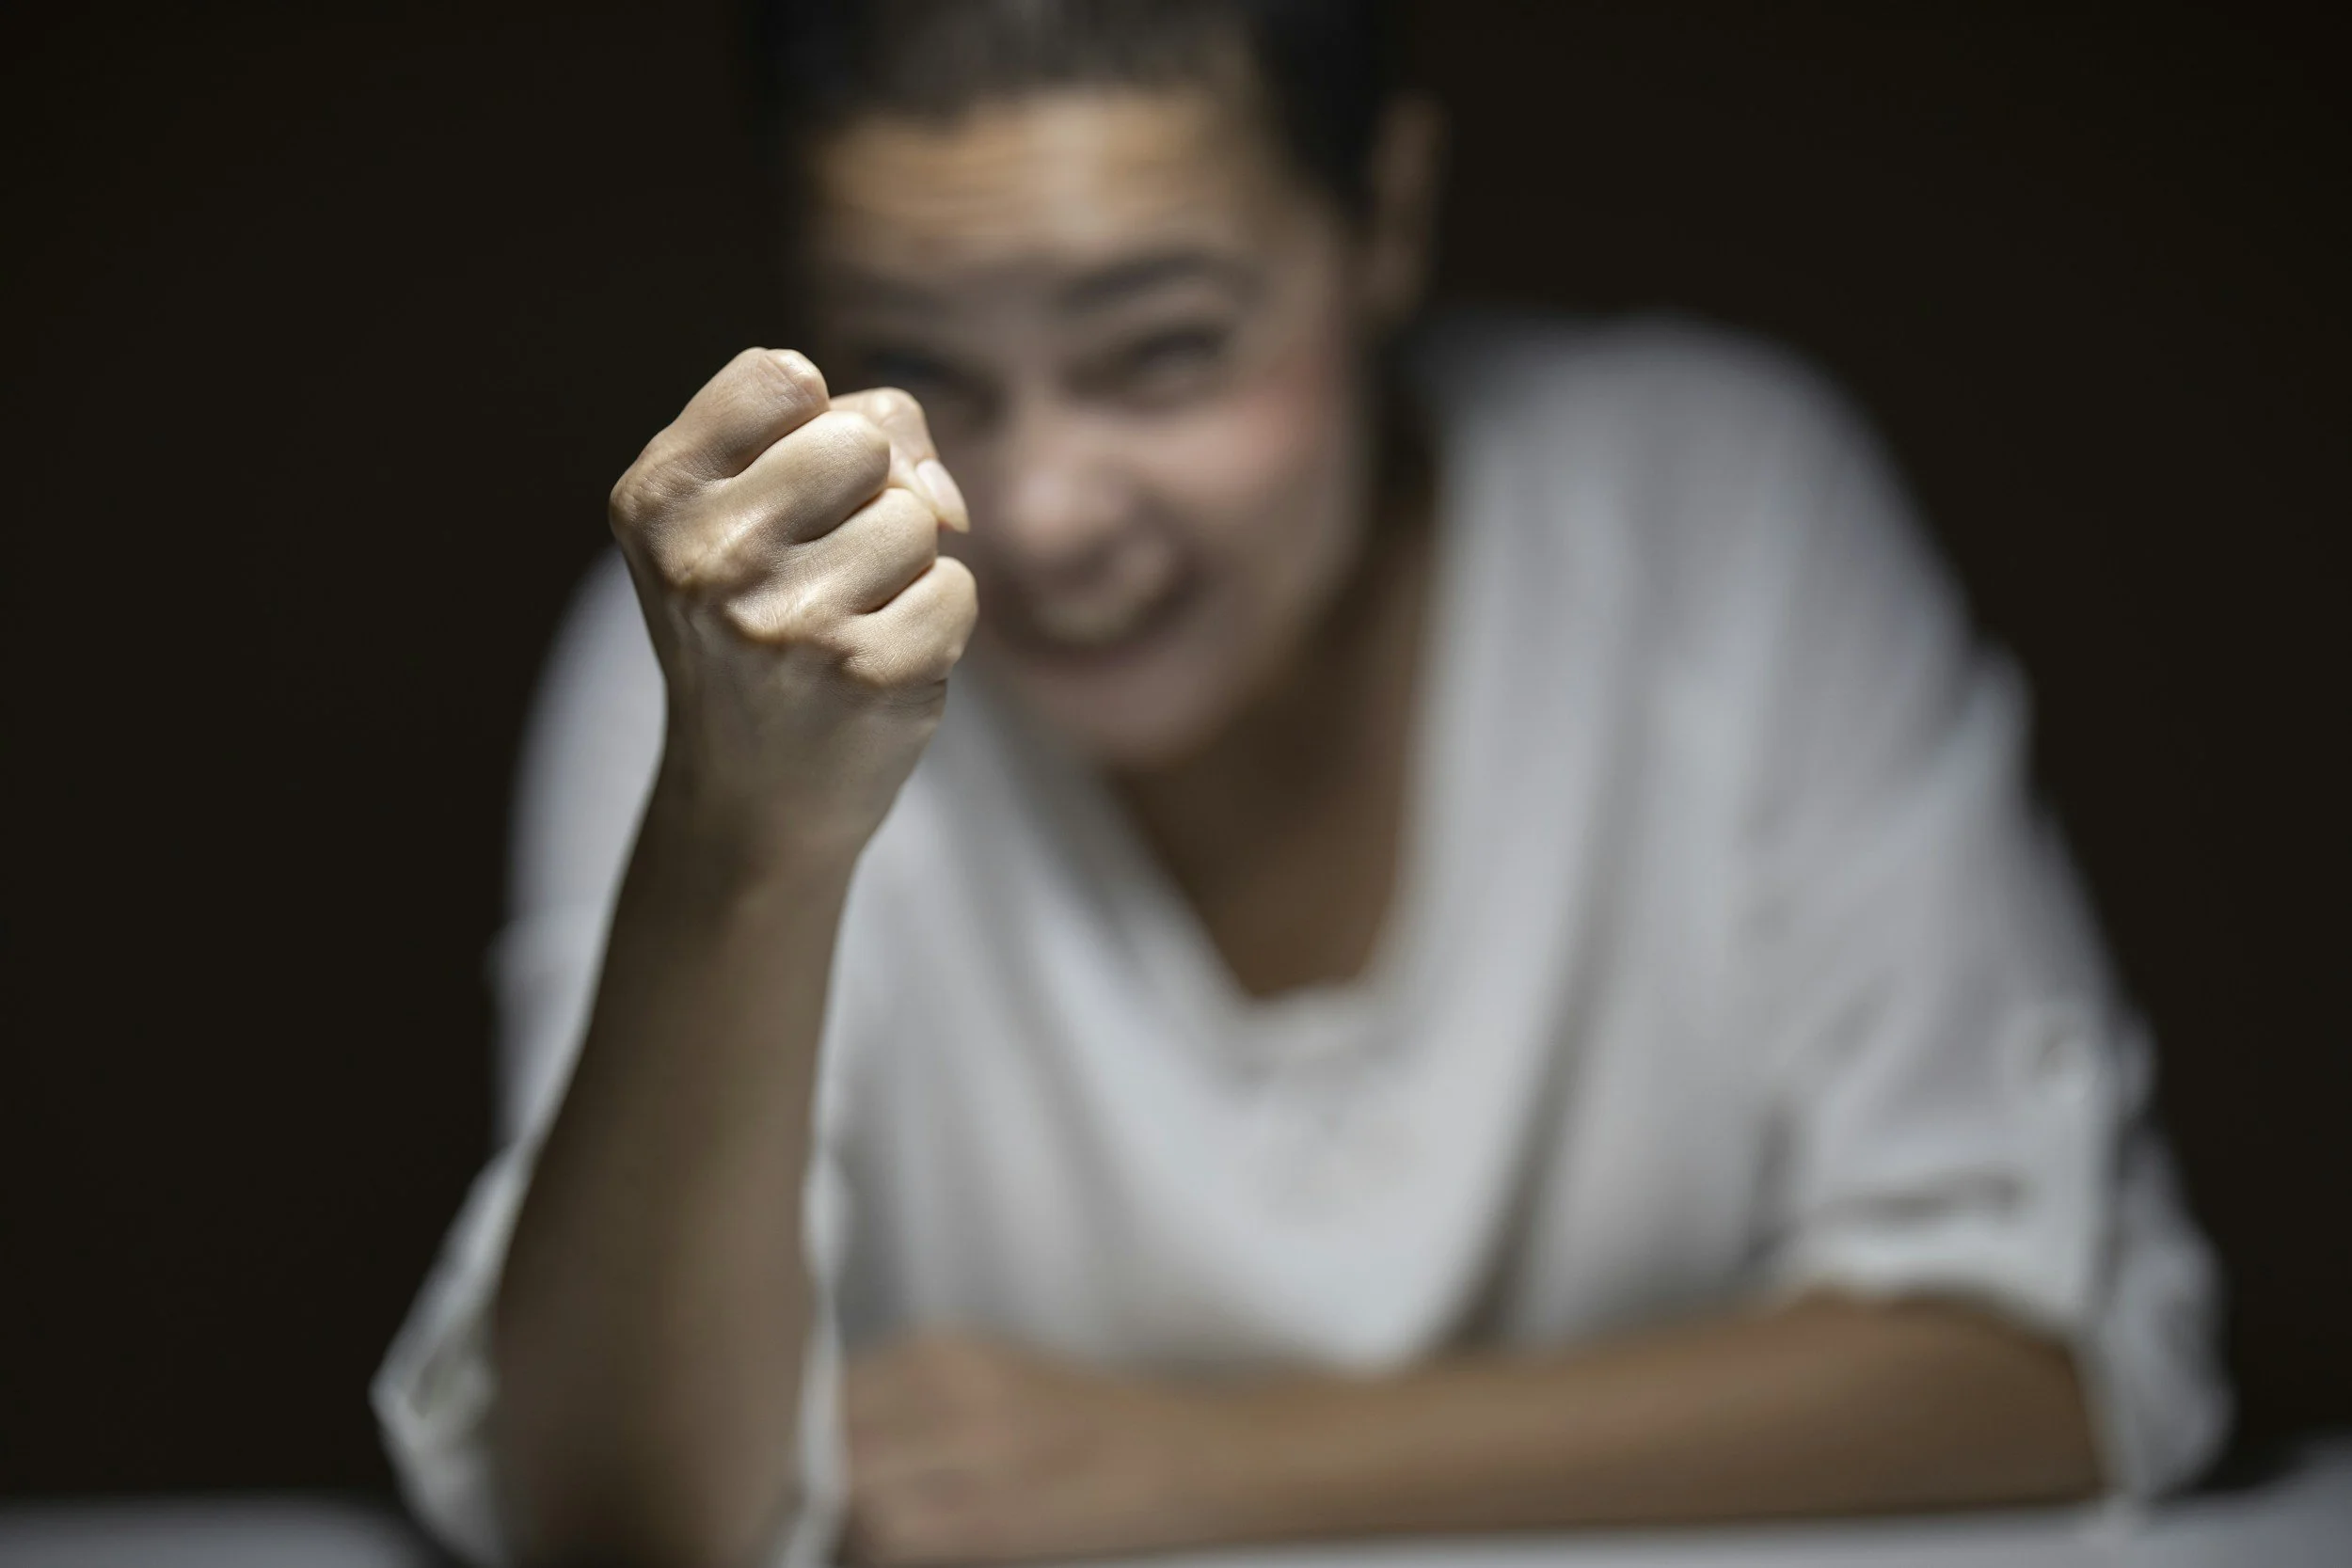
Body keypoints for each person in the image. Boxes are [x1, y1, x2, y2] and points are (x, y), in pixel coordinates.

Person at [374, 3, 2229, 1563]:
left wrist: (1207, 1462)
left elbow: (2051, 1350)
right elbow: (611, 1511)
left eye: (1162, 352)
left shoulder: (1714, 513)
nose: (1034, 512)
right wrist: (744, 837)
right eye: (920, 360)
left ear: (1386, 220)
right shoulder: (741, 643)